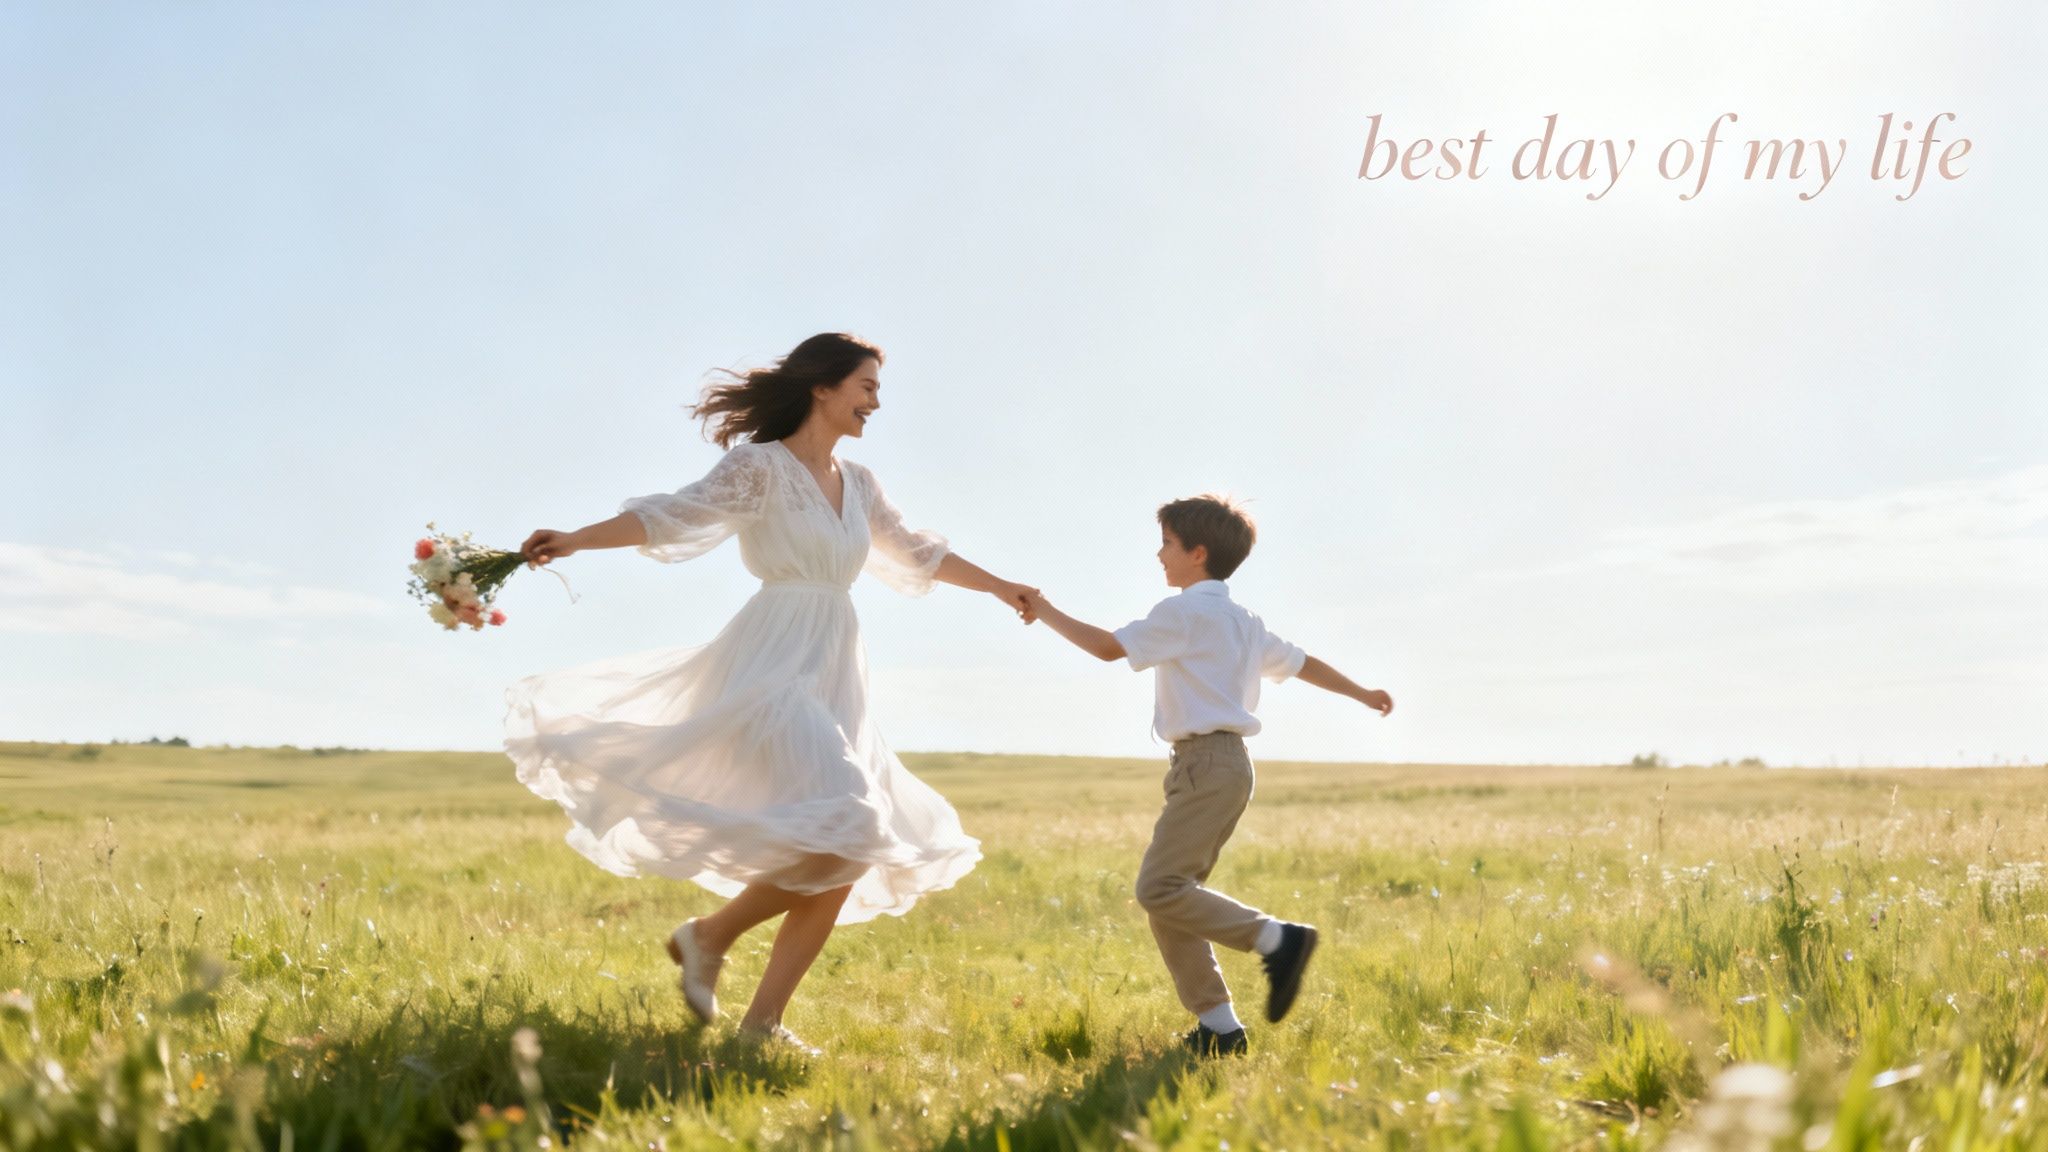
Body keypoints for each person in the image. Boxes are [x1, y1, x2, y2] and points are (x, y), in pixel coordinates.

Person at [506, 333, 1036, 1054]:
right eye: (867, 387)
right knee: (854, 823)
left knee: (843, 851)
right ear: (822, 387)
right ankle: (710, 937)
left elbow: (917, 551)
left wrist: (1000, 586)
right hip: (774, 661)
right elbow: (673, 513)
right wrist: (575, 538)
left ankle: (759, 1022)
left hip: (836, 665)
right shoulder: (760, 466)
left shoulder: (860, 482)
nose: (876, 402)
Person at [1019, 495, 1393, 1056]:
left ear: (1198, 553)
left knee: (1160, 889)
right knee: (1174, 895)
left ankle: (1278, 940)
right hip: (1227, 767)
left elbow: (1105, 648)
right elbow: (1302, 663)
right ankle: (1220, 1029)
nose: (1159, 554)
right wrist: (1362, 693)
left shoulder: (1185, 613)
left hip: (1206, 765)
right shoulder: (1242, 622)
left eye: (1167, 543)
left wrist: (1043, 608)